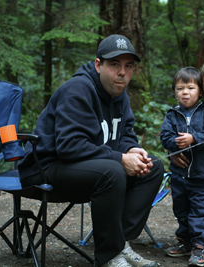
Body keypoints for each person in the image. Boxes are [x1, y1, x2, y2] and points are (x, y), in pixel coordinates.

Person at [18, 34, 164, 267]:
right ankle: (109, 256)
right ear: (98, 65)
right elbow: (69, 146)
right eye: (114, 64)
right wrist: (120, 158)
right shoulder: (78, 90)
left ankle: (119, 242)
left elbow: (125, 135)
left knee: (153, 167)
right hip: (44, 168)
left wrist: (134, 151)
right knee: (113, 171)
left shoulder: (120, 94)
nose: (122, 72)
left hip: (82, 168)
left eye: (128, 66)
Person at [160, 67, 204, 267]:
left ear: (200, 92)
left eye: (190, 88)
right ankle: (185, 241)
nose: (185, 92)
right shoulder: (172, 114)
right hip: (179, 175)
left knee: (200, 211)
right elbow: (165, 135)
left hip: (201, 175)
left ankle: (200, 247)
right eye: (180, 88)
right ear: (175, 92)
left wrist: (193, 138)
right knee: (181, 209)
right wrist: (174, 144)